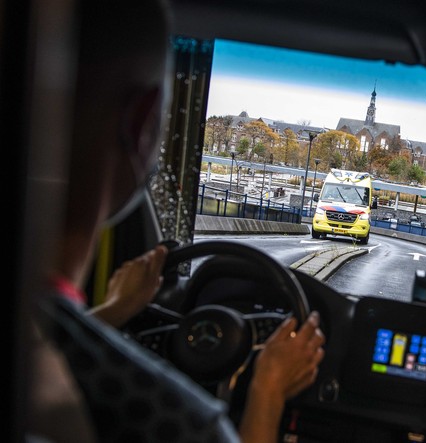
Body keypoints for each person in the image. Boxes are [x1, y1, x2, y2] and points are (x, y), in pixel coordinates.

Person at [27, 0, 325, 442]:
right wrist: (268, 390)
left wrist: (108, 314)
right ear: (143, 123)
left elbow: (52, 346)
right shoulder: (180, 423)